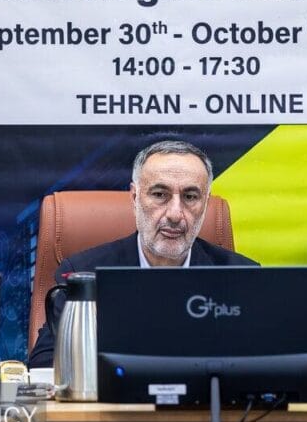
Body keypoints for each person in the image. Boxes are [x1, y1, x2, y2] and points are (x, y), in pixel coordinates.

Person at [28, 140, 258, 367]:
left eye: (190, 197)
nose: (175, 214)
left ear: (205, 203)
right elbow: (44, 363)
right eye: (159, 194)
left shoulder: (241, 277)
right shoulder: (84, 273)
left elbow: (261, 361)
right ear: (134, 197)